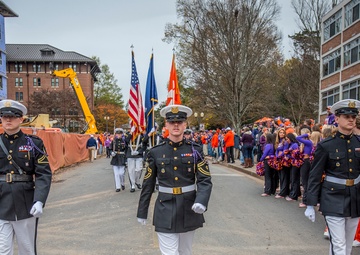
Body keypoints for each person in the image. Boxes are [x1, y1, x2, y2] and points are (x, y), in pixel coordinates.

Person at [137, 104, 212, 255]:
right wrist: (142, 210)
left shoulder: (195, 150)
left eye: (180, 122)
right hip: (165, 207)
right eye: (172, 122)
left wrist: (201, 200)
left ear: (185, 124)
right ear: (166, 124)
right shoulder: (156, 152)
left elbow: (204, 179)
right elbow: (148, 184)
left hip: (189, 207)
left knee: (185, 251)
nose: (176, 125)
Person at [305, 99, 360, 255]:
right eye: (347, 116)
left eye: (353, 117)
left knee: (347, 246)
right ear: (336, 119)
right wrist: (310, 203)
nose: (351, 120)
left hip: (355, 199)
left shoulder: (358, 142)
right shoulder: (326, 145)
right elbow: (315, 175)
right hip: (333, 197)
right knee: (339, 245)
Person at [0, 99, 52, 254]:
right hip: (1, 203)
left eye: (13, 116)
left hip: (25, 204)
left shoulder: (33, 143)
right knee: (2, 250)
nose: (8, 119)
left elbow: (43, 173)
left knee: (27, 250)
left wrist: (39, 200)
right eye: (4, 116)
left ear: (21, 119)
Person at [126, 127, 146, 193]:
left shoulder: (141, 135)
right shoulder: (128, 135)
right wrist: (131, 133)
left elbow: (144, 144)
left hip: (138, 154)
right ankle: (133, 185)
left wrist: (139, 152)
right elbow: (126, 141)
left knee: (139, 169)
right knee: (131, 171)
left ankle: (137, 181)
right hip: (130, 154)